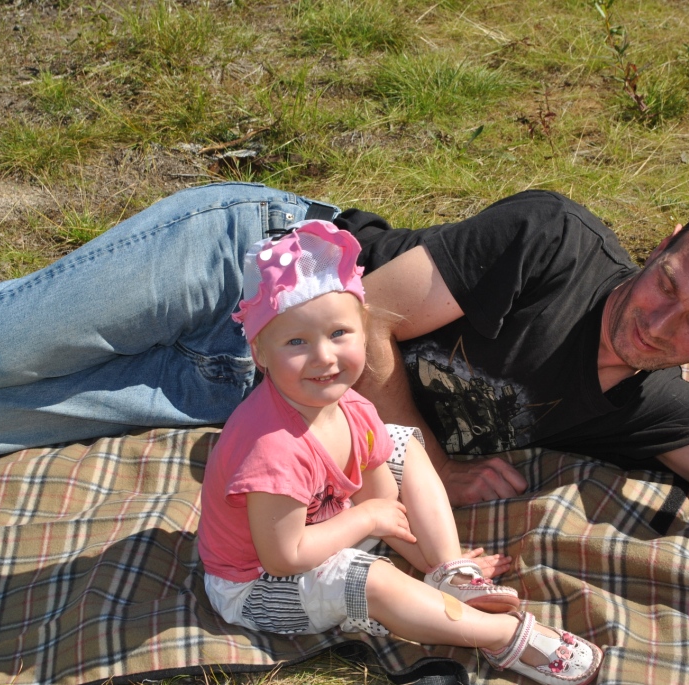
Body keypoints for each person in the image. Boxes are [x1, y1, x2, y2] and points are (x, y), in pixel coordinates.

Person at [0, 182, 689, 535]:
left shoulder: (646, 405)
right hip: (249, 262)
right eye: (668, 282)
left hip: (237, 384)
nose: (660, 324)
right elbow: (367, 315)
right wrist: (428, 462)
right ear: (661, 246)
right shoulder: (553, 242)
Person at [196, 220, 603, 685]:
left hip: (327, 525)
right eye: (296, 342)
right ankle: (500, 636)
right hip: (261, 586)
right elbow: (285, 557)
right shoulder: (272, 449)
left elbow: (383, 499)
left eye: (339, 333)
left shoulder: (352, 406)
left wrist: (399, 533)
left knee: (400, 441)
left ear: (363, 330)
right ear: (260, 354)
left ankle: (449, 573)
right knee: (368, 577)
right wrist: (367, 520)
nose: (324, 357)